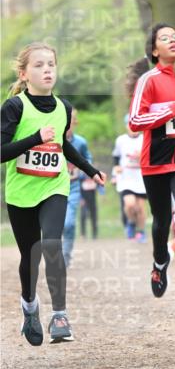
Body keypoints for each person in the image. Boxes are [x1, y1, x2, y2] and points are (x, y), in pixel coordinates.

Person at [1, 43, 106, 345]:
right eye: (39, 65)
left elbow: (63, 146)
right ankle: (29, 306)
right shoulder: (14, 107)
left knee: (52, 245)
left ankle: (60, 315)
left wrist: (89, 169)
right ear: (24, 73)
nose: (47, 69)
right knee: (30, 258)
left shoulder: (64, 108)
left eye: (51, 64)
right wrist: (35, 138)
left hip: (54, 185)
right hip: (21, 193)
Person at [128, 24, 175, 305]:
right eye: (165, 38)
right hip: (155, 161)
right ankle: (160, 260)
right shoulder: (148, 81)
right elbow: (135, 122)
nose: (173, 41)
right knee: (161, 221)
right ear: (154, 49)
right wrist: (174, 108)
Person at [62, 108, 93, 267]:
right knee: (54, 224)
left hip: (73, 187)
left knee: (69, 223)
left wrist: (81, 171)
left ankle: (66, 255)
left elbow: (87, 159)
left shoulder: (80, 142)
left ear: (74, 123)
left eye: (70, 122)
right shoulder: (51, 140)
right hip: (52, 187)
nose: (67, 126)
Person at [112, 115, 147, 242]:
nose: (133, 127)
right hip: (126, 178)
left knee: (140, 208)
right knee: (129, 204)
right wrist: (116, 169)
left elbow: (150, 157)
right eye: (130, 124)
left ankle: (141, 232)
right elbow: (116, 157)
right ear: (126, 125)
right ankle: (131, 223)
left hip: (141, 178)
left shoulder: (144, 139)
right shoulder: (121, 140)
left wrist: (142, 156)